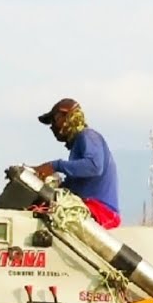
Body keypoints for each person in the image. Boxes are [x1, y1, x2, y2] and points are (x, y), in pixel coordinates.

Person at [35, 98, 121, 228]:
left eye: (54, 120)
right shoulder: (77, 146)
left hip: (101, 211)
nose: (52, 127)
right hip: (88, 206)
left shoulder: (88, 136)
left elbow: (94, 166)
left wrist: (55, 166)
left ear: (67, 117)